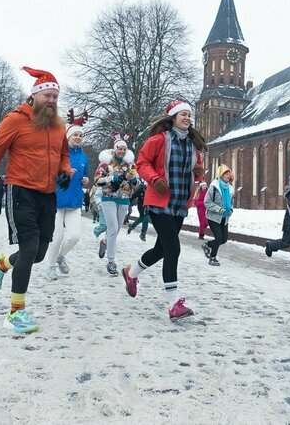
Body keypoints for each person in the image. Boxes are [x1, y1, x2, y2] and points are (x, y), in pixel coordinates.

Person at [0, 67, 71, 334]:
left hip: (48, 195)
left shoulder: (58, 125)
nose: (52, 101)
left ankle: (2, 264)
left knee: (40, 254)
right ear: (34, 96)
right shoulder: (15, 120)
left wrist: (65, 171)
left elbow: (64, 153)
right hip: (20, 191)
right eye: (48, 96)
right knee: (30, 248)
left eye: (56, 96)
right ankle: (15, 313)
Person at [121, 100, 205, 320]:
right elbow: (142, 163)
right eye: (183, 114)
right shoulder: (158, 140)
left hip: (179, 204)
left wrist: (198, 171)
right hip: (159, 202)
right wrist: (154, 178)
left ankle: (131, 273)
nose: (187, 118)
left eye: (189, 115)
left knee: (161, 250)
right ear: (173, 118)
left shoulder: (193, 145)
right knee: (173, 249)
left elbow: (197, 172)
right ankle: (173, 303)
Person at [44, 111, 89, 280]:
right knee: (57, 237)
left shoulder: (83, 155)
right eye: (75, 135)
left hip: (74, 201)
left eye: (80, 135)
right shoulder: (59, 153)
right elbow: (49, 174)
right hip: (56, 200)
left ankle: (60, 257)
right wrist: (64, 174)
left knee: (74, 236)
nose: (77, 137)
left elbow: (85, 175)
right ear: (68, 136)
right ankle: (50, 267)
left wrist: (85, 180)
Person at [94, 133, 139, 276]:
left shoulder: (131, 165)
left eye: (124, 149)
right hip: (109, 198)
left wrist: (133, 180)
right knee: (113, 227)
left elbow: (137, 182)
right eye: (119, 149)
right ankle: (111, 261)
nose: (122, 151)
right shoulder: (105, 164)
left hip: (124, 199)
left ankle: (104, 242)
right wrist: (112, 178)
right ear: (115, 149)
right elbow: (96, 180)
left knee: (116, 229)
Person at [201, 165, 234, 266]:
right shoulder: (214, 187)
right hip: (214, 217)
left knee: (224, 239)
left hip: (225, 217)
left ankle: (207, 245)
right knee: (219, 237)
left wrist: (231, 209)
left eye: (229, 174)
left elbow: (232, 202)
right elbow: (207, 202)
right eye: (226, 174)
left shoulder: (230, 188)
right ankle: (213, 258)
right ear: (221, 175)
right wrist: (218, 209)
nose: (228, 176)